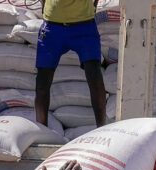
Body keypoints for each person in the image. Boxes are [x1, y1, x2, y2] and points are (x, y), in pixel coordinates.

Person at [35, 0, 106, 128]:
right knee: (42, 83)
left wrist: (93, 5)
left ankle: (102, 127)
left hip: (84, 26)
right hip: (52, 26)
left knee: (94, 74)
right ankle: (42, 130)